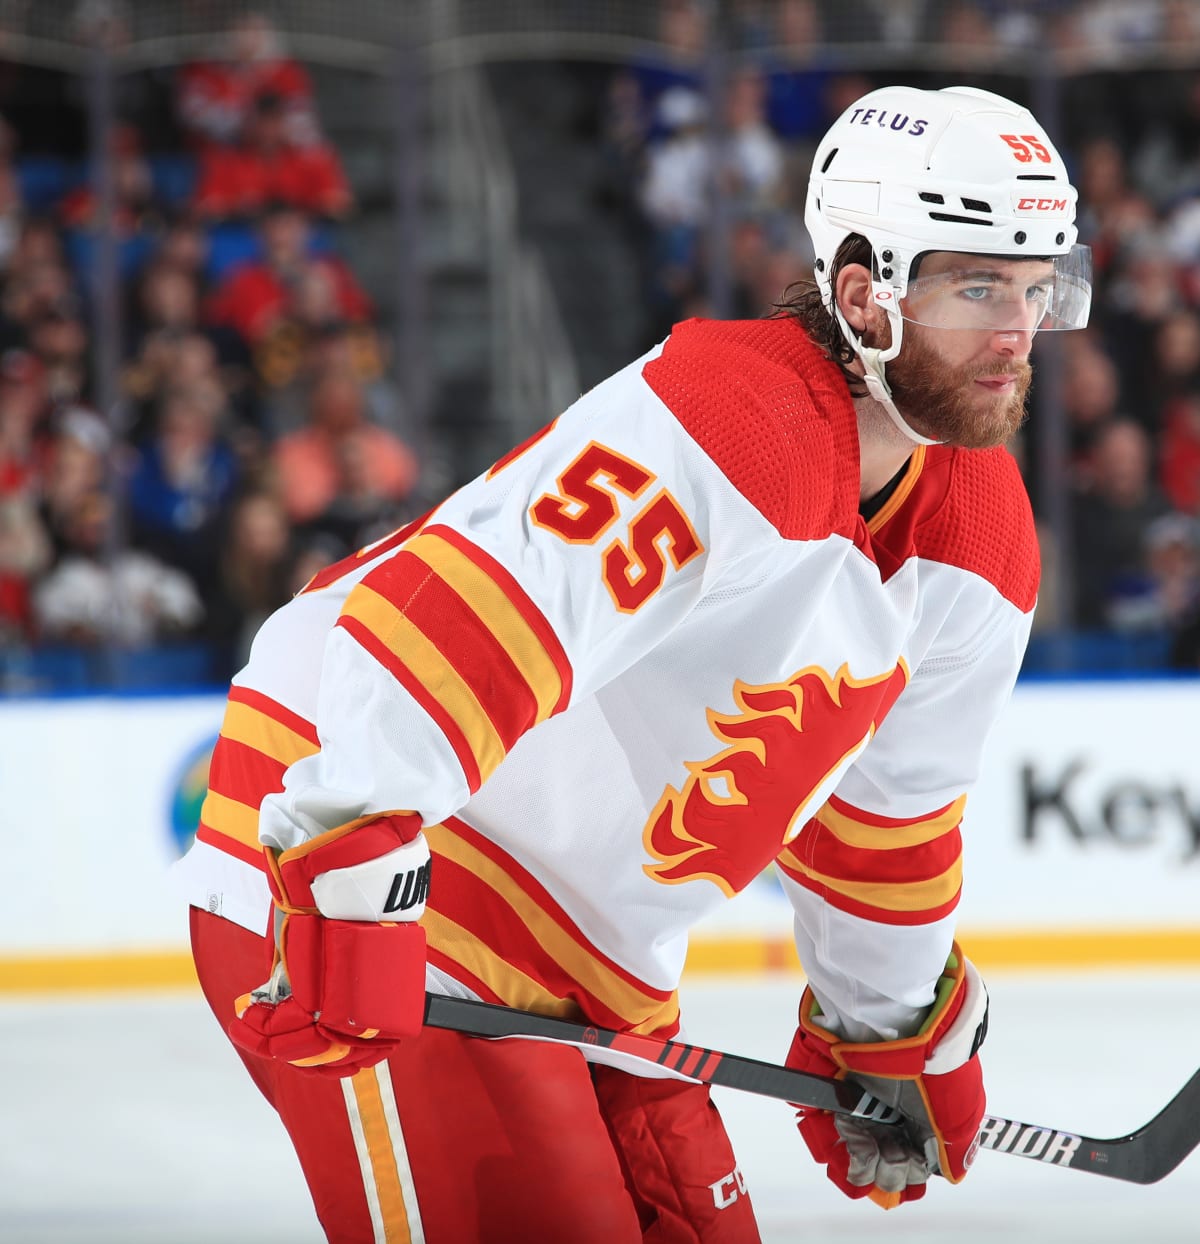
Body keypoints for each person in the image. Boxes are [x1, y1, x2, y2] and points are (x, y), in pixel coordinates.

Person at [171, 83, 1085, 1242]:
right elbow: (478, 610)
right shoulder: (733, 418)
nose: (1018, 330)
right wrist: (349, 856)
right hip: (388, 850)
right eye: (977, 286)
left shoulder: (983, 538)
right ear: (865, 292)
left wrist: (888, 1028)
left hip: (598, 956)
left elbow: (883, 828)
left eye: (1035, 287)